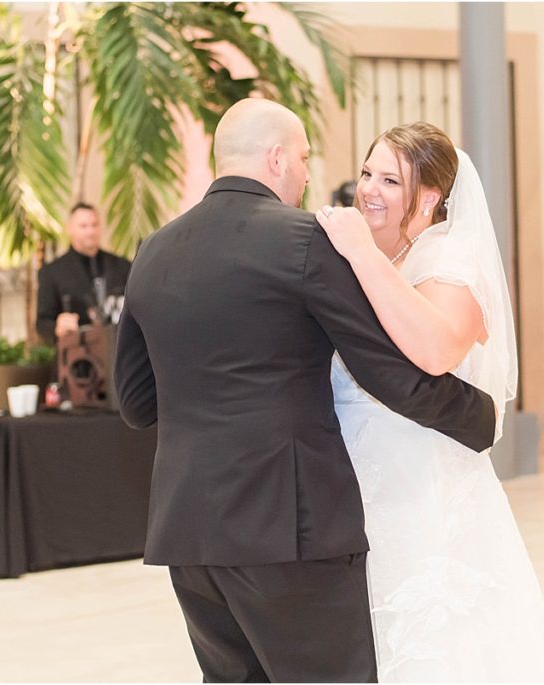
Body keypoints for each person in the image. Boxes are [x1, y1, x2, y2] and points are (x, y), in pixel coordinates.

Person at [113, 100, 496, 683]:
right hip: (288, 525)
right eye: (303, 158)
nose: (309, 174)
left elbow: (137, 403)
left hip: (187, 529)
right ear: (275, 157)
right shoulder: (305, 240)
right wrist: (479, 415)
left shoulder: (152, 250)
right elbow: (388, 373)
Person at [315, 122, 544, 681]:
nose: (369, 188)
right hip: (371, 492)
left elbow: (436, 349)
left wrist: (359, 254)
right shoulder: (389, 260)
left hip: (425, 495)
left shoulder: (449, 259)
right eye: (368, 173)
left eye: (390, 180)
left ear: (428, 199)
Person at [36, 203, 131, 344]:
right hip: (78, 354)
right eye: (83, 226)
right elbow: (42, 323)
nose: (90, 231)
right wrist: (57, 327)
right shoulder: (52, 272)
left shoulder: (122, 266)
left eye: (94, 225)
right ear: (70, 229)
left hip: (117, 350)